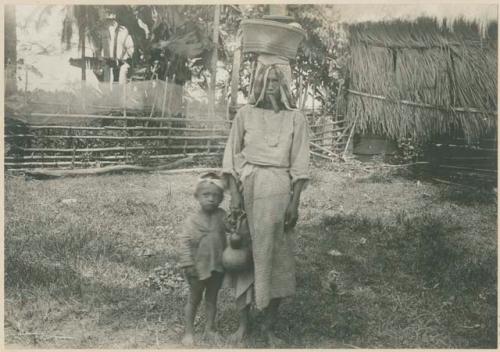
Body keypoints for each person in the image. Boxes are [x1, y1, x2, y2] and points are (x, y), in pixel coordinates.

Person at [222, 57, 310, 346]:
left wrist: (294, 203)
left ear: (285, 84)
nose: (271, 86)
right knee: (243, 254)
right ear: (258, 82)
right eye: (267, 80)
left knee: (276, 258)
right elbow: (231, 157)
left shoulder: (295, 119)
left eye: (277, 81)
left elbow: (299, 164)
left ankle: (270, 327)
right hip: (248, 189)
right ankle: (243, 324)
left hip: (278, 192)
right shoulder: (245, 115)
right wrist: (235, 195)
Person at [178, 173, 227, 346]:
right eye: (206, 195)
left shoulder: (223, 216)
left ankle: (210, 328)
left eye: (216, 196)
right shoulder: (192, 220)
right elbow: (184, 242)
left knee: (212, 298)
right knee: (194, 298)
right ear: (197, 197)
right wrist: (187, 263)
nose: (211, 199)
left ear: (221, 199)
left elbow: (233, 228)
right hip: (197, 267)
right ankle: (189, 332)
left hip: (217, 265)